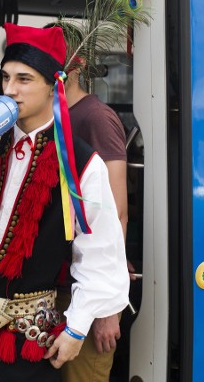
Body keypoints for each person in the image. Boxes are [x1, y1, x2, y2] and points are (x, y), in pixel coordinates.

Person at [0, 23, 129, 382]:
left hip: (22, 337)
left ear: (55, 85)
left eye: (24, 79)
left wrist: (77, 327)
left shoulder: (81, 164)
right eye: (5, 78)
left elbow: (98, 253)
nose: (9, 90)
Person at [57, 53, 129, 382]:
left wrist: (107, 308)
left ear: (79, 63)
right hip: (64, 285)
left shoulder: (96, 117)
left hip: (88, 292)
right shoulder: (54, 115)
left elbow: (116, 214)